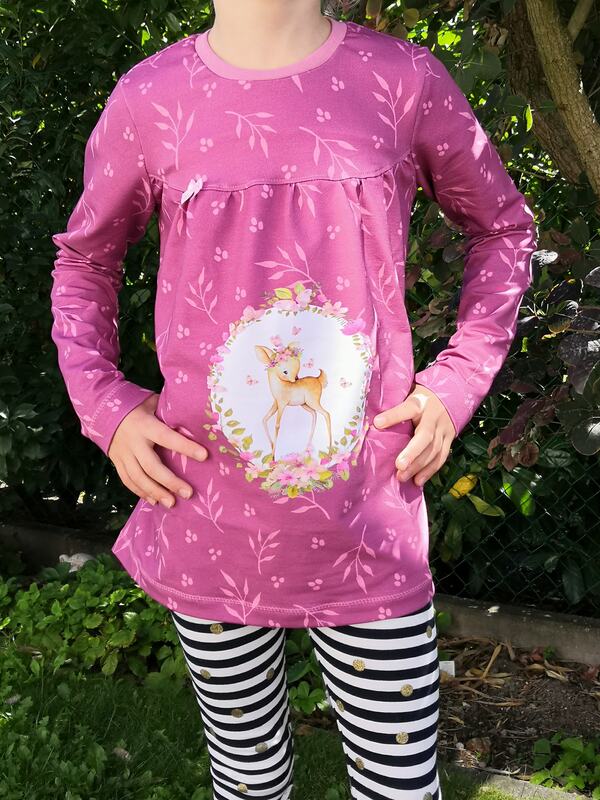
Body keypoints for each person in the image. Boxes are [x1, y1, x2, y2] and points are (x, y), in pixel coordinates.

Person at [49, 0, 537, 797]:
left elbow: (504, 229)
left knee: (400, 782)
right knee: (245, 777)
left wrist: (458, 381)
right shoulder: (151, 97)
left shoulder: (402, 79)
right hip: (207, 512)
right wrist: (104, 402)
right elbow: (85, 260)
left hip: (367, 519)